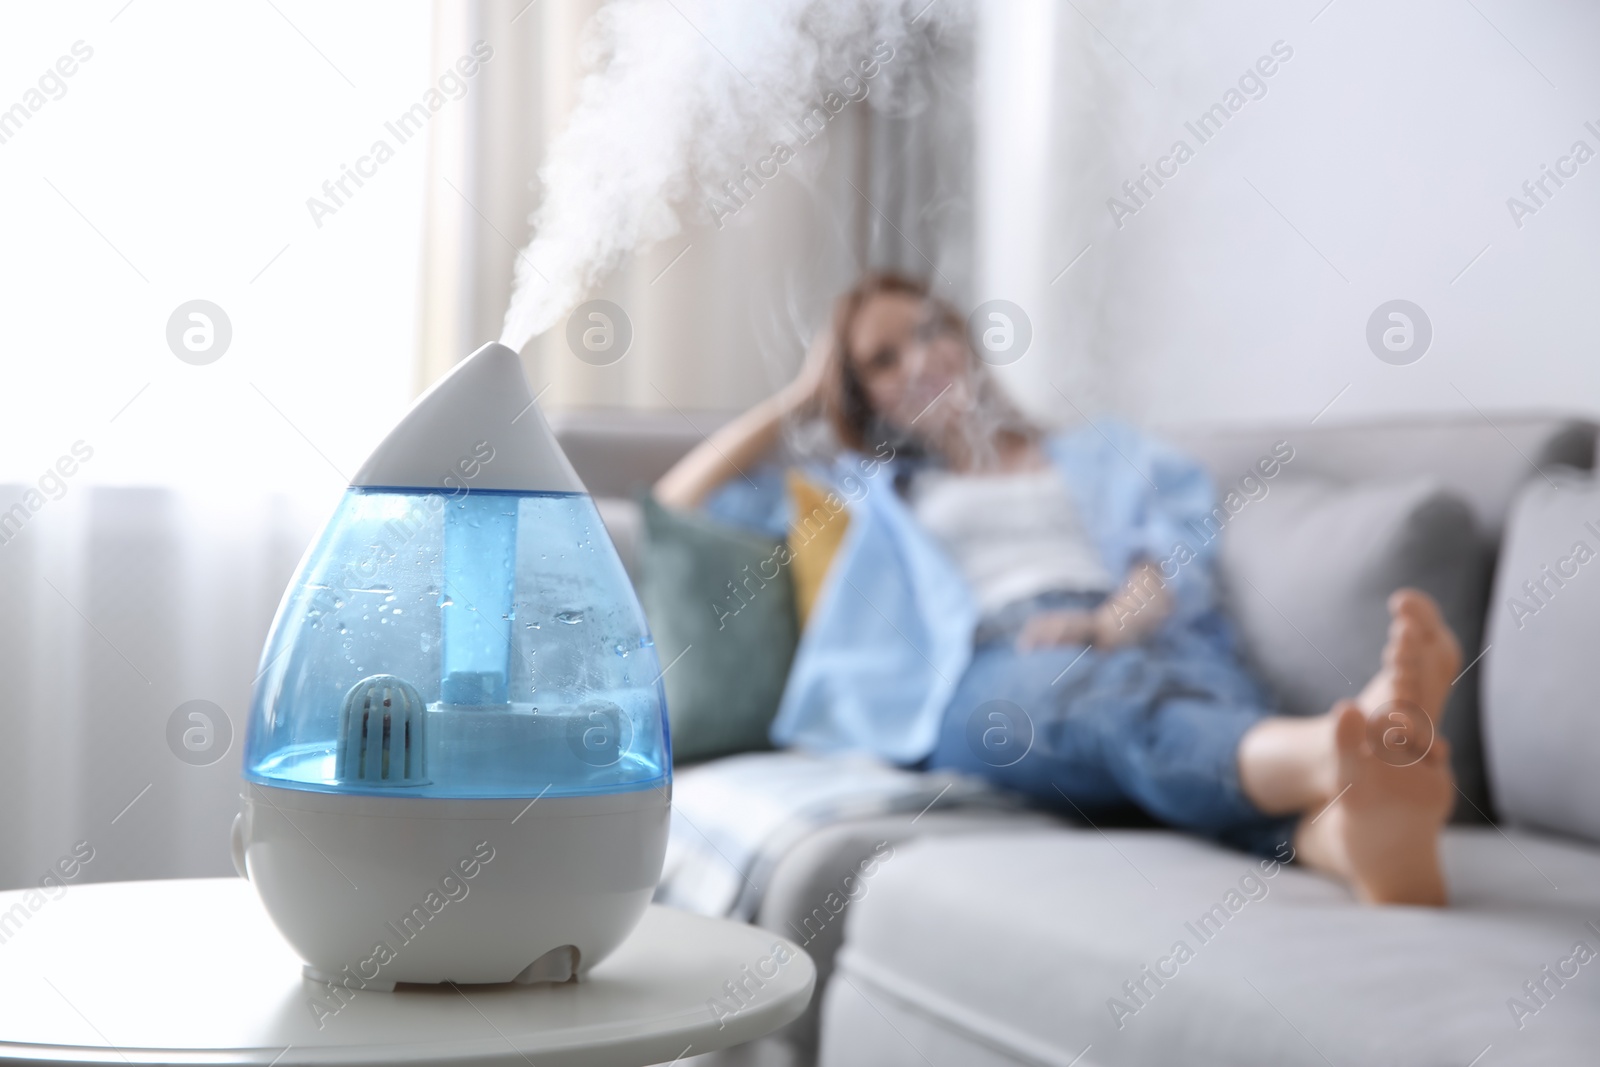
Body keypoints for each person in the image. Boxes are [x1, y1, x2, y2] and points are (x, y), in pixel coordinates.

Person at [654, 272, 1461, 906]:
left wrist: (1113, 621)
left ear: (967, 343)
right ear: (863, 395)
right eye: (881, 359)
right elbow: (678, 501)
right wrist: (805, 392)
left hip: (1143, 642)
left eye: (929, 332)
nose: (918, 361)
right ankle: (1334, 745)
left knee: (1157, 715)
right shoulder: (872, 494)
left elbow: (1173, 559)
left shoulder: (1101, 451)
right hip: (991, 674)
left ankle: (1343, 836)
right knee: (1098, 701)